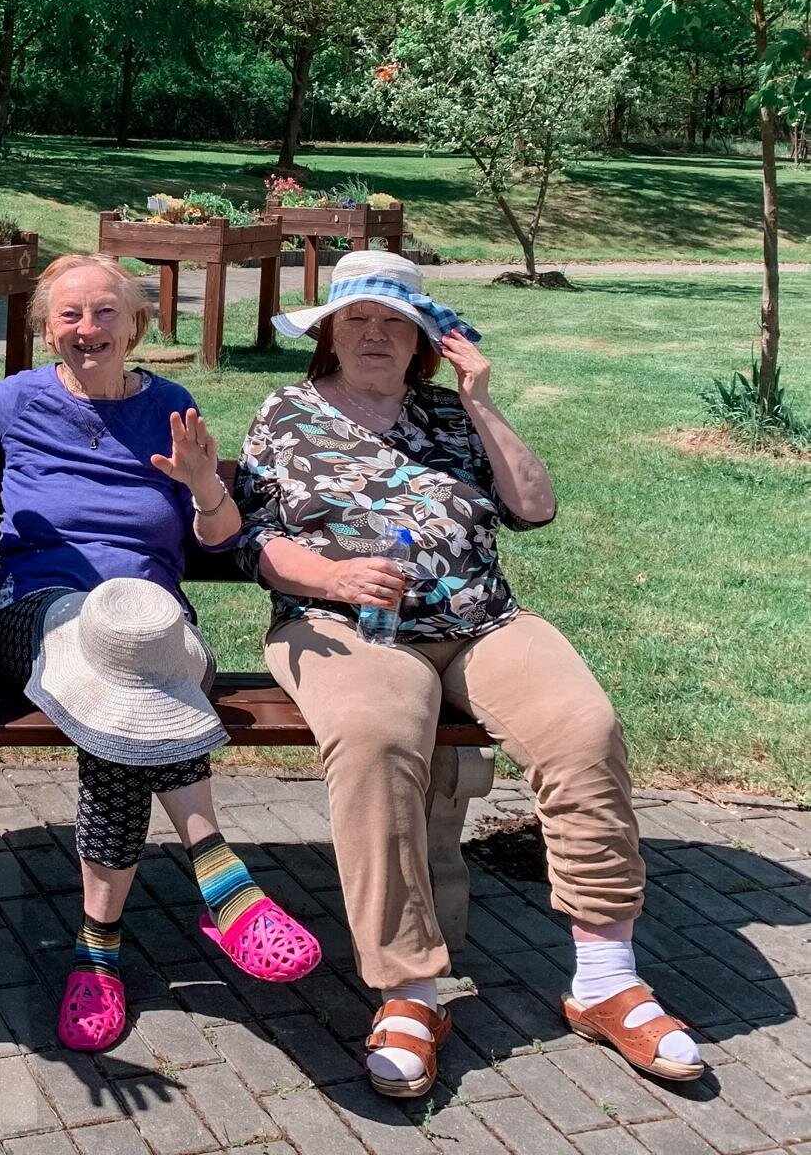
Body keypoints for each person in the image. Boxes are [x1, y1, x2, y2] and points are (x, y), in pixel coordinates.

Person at [233, 250, 702, 1096]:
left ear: (423, 341)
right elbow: (254, 540)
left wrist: (481, 401)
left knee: (582, 729)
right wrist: (331, 578)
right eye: (357, 319)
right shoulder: (286, 413)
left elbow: (534, 507)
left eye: (395, 323)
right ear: (329, 333)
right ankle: (409, 991)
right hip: (343, 624)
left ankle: (605, 978)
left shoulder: (453, 414)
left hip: (483, 622)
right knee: (376, 739)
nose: (374, 335)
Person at [0, 253, 320, 1052]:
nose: (87, 328)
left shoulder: (170, 407)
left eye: (104, 312)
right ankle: (216, 872)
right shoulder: (13, 401)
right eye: (68, 315)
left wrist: (205, 486)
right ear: (46, 330)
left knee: (129, 671)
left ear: (134, 325)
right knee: (117, 664)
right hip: (38, 619)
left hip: (157, 627)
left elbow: (220, 538)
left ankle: (98, 951)